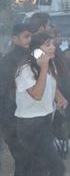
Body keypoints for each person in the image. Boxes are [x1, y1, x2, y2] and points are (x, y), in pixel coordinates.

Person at [15, 33, 68, 176]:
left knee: (40, 166)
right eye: (47, 44)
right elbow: (37, 95)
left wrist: (59, 97)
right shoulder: (26, 69)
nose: (53, 47)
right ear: (36, 50)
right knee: (55, 167)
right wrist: (43, 68)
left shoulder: (50, 63)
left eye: (52, 44)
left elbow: (52, 84)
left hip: (45, 118)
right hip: (30, 123)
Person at [0, 24, 33, 176]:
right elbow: (4, 92)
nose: (29, 40)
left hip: (25, 118)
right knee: (23, 160)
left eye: (30, 36)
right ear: (14, 38)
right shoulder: (9, 61)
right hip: (13, 118)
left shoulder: (28, 56)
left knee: (28, 160)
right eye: (26, 36)